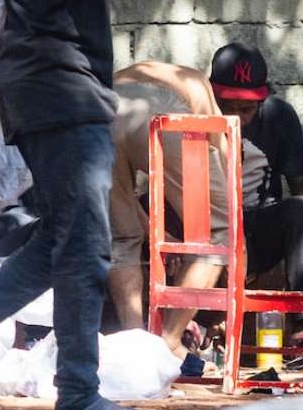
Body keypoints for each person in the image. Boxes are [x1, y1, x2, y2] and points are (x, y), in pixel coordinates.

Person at [0, 0, 156, 410]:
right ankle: (80, 395)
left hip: (49, 93)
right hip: (59, 95)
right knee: (84, 245)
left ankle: (81, 392)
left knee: (59, 243)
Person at [108, 61, 257, 376]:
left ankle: (135, 349)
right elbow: (226, 178)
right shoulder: (199, 90)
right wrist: (235, 249)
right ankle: (168, 343)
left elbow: (131, 206)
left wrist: (154, 231)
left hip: (102, 109)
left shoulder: (149, 72)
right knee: (221, 230)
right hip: (158, 109)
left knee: (122, 238)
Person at [209, 43, 303, 339]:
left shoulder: (278, 118)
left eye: (247, 108)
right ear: (211, 95)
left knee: (299, 209)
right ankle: (198, 332)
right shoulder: (196, 116)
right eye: (228, 106)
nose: (238, 116)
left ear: (262, 100)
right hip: (210, 231)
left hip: (259, 230)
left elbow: (302, 190)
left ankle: (302, 331)